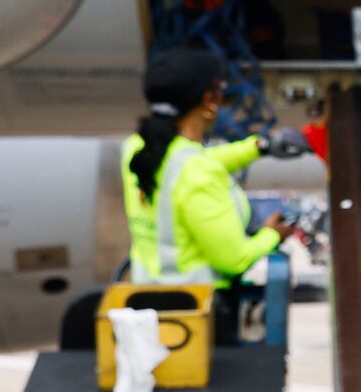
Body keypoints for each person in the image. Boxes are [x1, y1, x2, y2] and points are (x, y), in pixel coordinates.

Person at [123, 49, 303, 322]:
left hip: (148, 307)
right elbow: (234, 259)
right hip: (203, 312)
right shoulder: (198, 172)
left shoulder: (137, 149)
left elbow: (185, 163)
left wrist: (258, 147)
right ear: (209, 99)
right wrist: (272, 234)